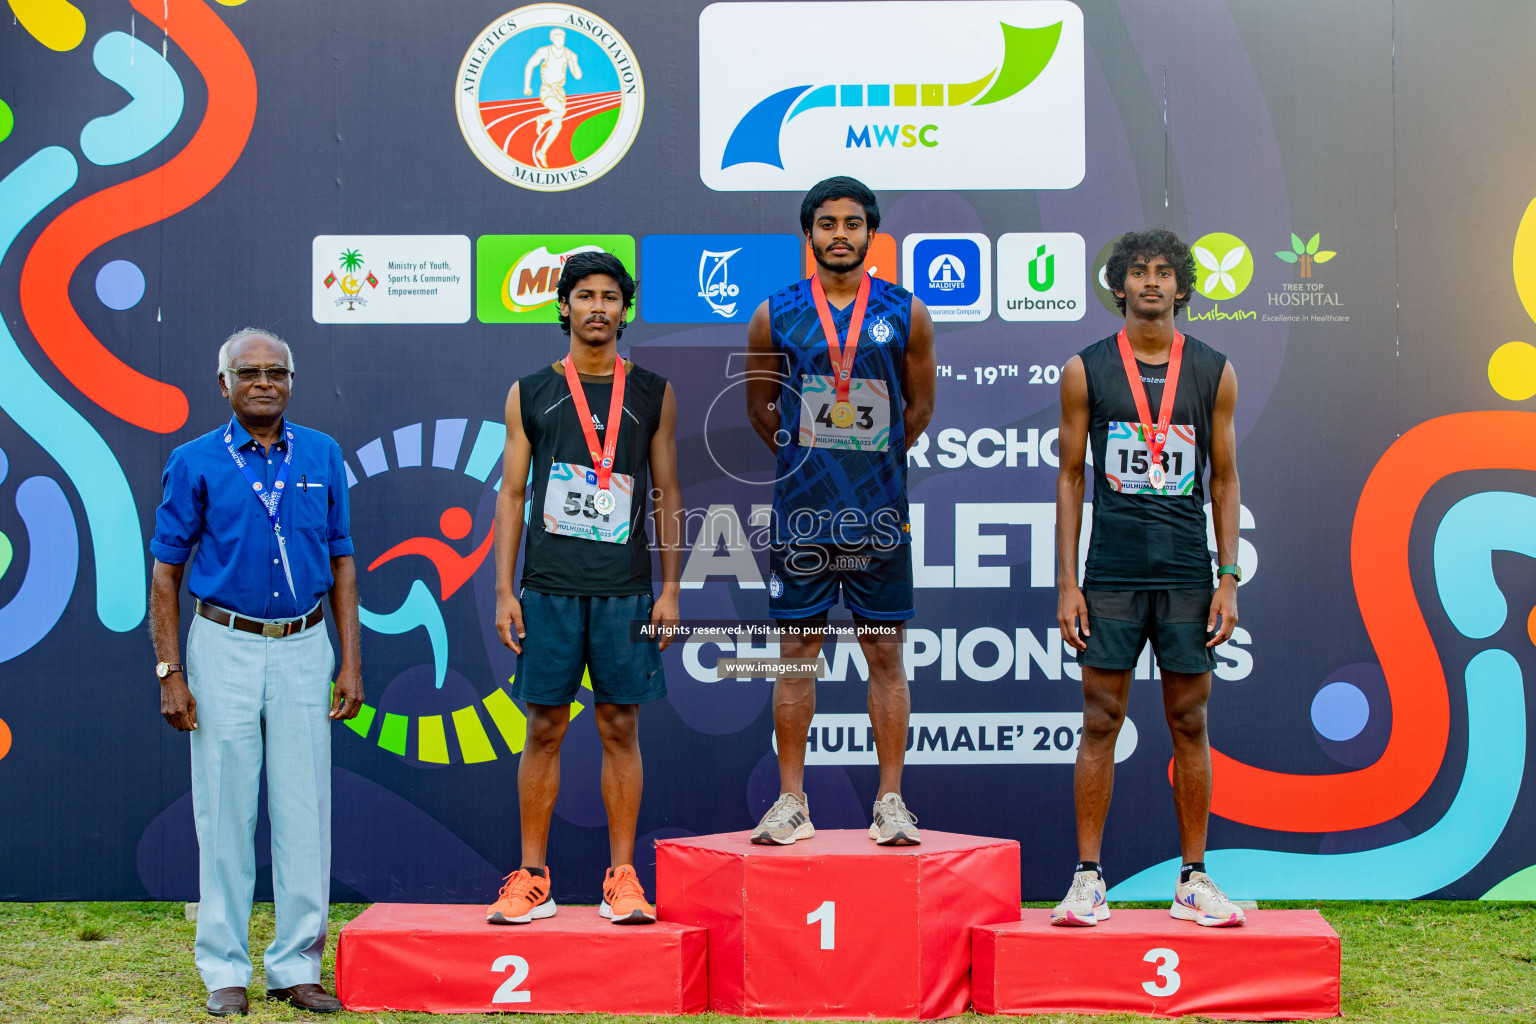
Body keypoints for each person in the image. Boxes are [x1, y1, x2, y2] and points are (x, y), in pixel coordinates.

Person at [149, 329, 363, 1016]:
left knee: (305, 813)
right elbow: (165, 573)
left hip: (305, 646)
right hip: (223, 646)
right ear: (224, 385)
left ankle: (297, 967)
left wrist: (349, 660)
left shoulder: (323, 455)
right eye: (248, 373)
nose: (262, 382)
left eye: (275, 371)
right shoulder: (194, 461)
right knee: (224, 810)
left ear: (292, 380)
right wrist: (169, 671)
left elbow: (342, 565)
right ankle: (224, 971)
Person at [1051, 229, 1245, 928]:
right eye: (1138, 272)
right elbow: (1071, 477)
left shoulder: (1214, 370)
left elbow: (1225, 478)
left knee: (1189, 721)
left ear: (1183, 287)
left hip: (1190, 572)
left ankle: (1194, 879)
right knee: (1100, 719)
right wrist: (1067, 583)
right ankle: (1087, 880)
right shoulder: (1087, 370)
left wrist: (1228, 576)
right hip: (1111, 571)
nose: (1152, 283)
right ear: (1120, 286)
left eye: (1165, 272)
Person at [488, 251, 682, 926]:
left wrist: (671, 589)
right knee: (543, 726)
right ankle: (531, 877)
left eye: (610, 297)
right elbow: (512, 495)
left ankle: (622, 878)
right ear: (563, 306)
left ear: (625, 310)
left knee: (619, 724)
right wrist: (503, 591)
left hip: (626, 590)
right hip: (547, 587)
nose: (598, 307)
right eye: (585, 296)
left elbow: (667, 494)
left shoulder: (654, 391)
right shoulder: (529, 391)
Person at [744, 175, 936, 846]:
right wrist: (810, 462)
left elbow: (917, 409)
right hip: (803, 513)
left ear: (870, 234)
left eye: (853, 223)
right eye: (827, 224)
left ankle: (890, 801)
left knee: (885, 651)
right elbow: (762, 409)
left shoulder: (904, 311)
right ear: (810, 235)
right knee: (796, 653)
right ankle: (792, 800)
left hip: (878, 511)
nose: (840, 235)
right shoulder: (777, 313)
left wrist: (867, 458)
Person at [523, 28, 581, 168]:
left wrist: (574, 61)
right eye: (557, 37)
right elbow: (530, 66)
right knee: (561, 111)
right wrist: (527, 86)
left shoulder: (569, 54)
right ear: (552, 39)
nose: (560, 40)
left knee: (557, 126)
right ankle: (541, 119)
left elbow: (578, 76)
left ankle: (542, 152)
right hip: (547, 90)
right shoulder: (545, 51)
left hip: (560, 92)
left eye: (562, 37)